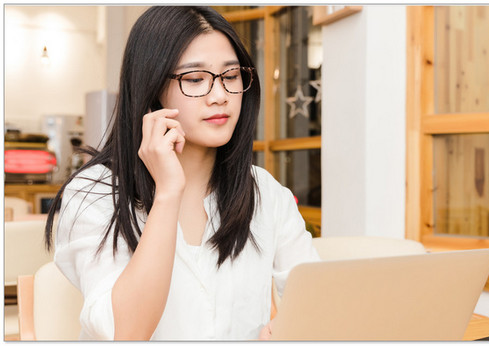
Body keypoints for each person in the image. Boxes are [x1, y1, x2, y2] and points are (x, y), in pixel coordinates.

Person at [44, 6, 319, 340]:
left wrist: (296, 330)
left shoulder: (265, 192)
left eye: (230, 76)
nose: (220, 96)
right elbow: (127, 332)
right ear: (152, 87)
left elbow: (319, 301)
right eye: (194, 79)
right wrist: (168, 192)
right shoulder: (95, 193)